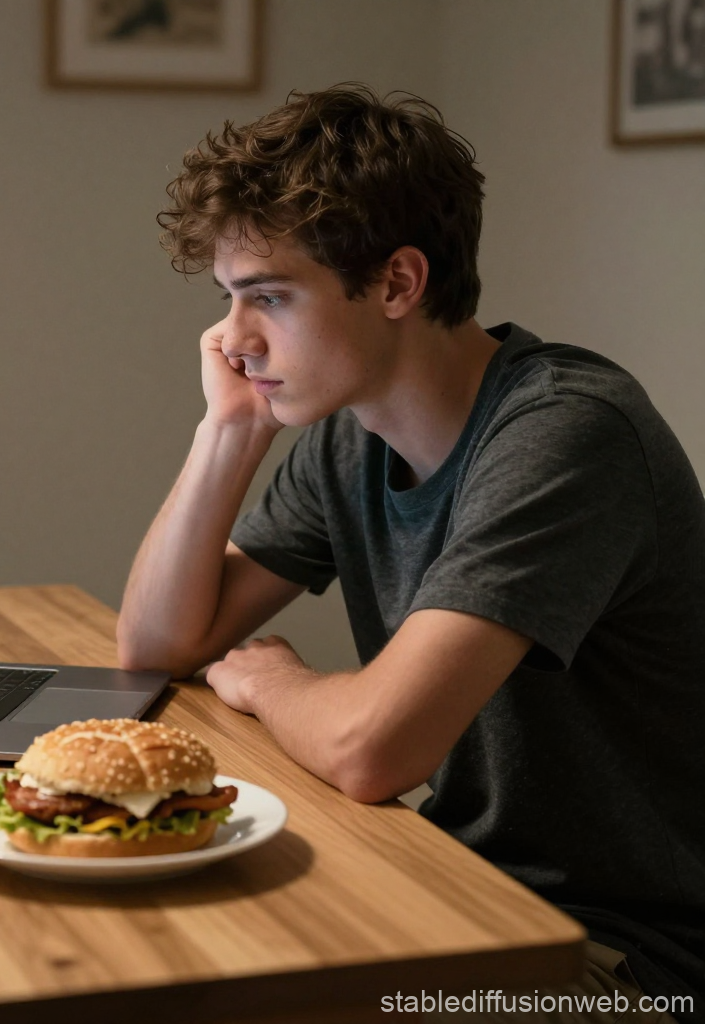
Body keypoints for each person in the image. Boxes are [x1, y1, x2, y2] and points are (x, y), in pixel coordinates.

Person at [116, 85, 703, 1022]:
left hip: (620, 967)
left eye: (267, 298)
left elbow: (371, 749)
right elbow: (155, 648)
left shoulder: (566, 435)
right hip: (462, 897)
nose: (231, 340)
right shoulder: (356, 437)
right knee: (159, 955)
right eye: (229, 302)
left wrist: (272, 684)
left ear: (396, 283)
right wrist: (226, 433)